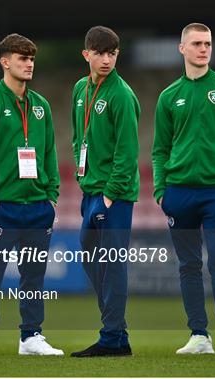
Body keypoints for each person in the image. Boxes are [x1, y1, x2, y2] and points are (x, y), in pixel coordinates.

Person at [152, 23, 215, 355]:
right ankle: (198, 335)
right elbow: (160, 150)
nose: (203, 48)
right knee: (188, 265)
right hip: (178, 193)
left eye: (207, 43)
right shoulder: (169, 96)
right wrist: (160, 191)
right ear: (182, 48)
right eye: (196, 43)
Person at [0, 33, 62, 356]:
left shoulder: (41, 106)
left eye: (32, 59)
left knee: (33, 274)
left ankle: (31, 337)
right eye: (22, 58)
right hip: (3, 205)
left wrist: (52, 194)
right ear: (4, 61)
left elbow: (49, 151)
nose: (29, 64)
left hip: (38, 205)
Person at [69, 26, 140, 358]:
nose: (107, 59)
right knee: (89, 254)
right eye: (100, 53)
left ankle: (113, 337)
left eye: (112, 53)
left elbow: (128, 152)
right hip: (90, 190)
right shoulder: (80, 90)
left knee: (112, 263)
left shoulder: (121, 95)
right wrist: (82, 176)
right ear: (87, 55)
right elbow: (75, 137)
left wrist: (110, 195)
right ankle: (117, 330)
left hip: (115, 195)